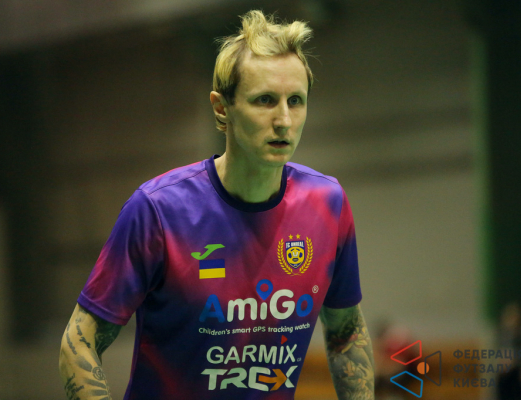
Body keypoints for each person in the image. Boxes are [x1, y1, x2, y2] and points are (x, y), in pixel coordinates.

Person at [59, 10, 374, 400]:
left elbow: (346, 333)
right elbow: (78, 343)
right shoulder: (157, 211)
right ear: (222, 107)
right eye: (264, 100)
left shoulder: (327, 204)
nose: (283, 120)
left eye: (296, 101)